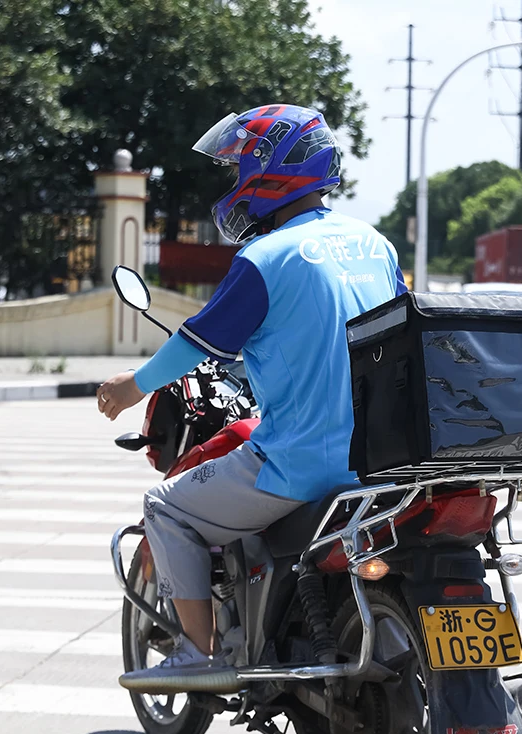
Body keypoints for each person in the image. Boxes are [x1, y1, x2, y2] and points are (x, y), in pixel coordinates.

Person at [96, 104, 406, 691]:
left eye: (239, 165)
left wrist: (129, 386)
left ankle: (198, 652)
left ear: (272, 170)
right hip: (384, 459)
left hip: (304, 462)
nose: (233, 180)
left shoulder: (266, 259)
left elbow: (196, 342)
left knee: (166, 507)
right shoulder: (374, 244)